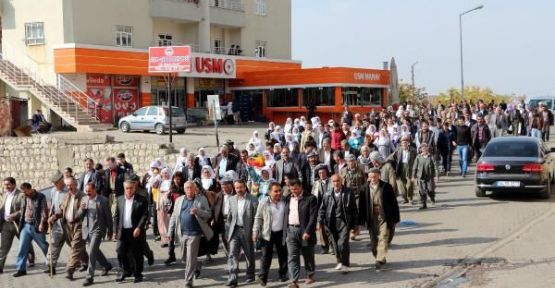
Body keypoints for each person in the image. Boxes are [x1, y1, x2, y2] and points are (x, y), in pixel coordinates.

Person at [167, 181, 213, 288]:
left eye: (191, 188)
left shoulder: (201, 199)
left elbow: (208, 214)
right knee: (184, 257)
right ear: (184, 189)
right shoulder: (179, 200)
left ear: (195, 189)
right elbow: (174, 216)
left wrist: (198, 211)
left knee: (190, 258)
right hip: (182, 233)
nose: (189, 190)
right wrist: (170, 231)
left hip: (195, 233)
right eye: (187, 188)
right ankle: (197, 265)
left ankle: (188, 280)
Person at [358, 168, 400, 271]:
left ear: (379, 176)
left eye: (375, 176)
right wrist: (360, 221)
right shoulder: (364, 189)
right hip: (371, 218)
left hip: (384, 217)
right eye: (371, 177)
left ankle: (379, 259)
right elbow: (362, 206)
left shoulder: (386, 187)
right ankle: (379, 256)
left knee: (384, 236)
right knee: (373, 243)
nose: (373, 179)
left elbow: (394, 203)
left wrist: (396, 217)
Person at [317, 174, 358, 273]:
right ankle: (340, 261)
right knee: (335, 245)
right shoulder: (327, 194)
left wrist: (355, 225)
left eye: (338, 181)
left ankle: (345, 265)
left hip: (344, 222)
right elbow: (322, 209)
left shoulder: (348, 193)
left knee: (343, 243)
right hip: (331, 222)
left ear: (341, 181)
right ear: (331, 183)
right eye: (334, 181)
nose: (336, 183)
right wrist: (319, 222)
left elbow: (354, 210)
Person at [252, 182, 288, 286]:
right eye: (275, 191)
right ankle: (263, 277)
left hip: (281, 233)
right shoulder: (263, 202)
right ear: (269, 192)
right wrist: (255, 232)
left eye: (279, 190)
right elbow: (258, 217)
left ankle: (282, 274)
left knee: (283, 255)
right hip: (267, 233)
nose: (278, 193)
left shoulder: (285, 201)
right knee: (266, 256)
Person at [78, 182, 114, 286]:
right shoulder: (84, 200)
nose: (87, 193)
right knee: (95, 251)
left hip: (98, 230)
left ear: (94, 190)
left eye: (89, 191)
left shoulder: (103, 200)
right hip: (87, 230)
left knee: (91, 251)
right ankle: (107, 265)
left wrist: (110, 231)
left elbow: (108, 217)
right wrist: (82, 209)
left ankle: (89, 277)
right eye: (86, 191)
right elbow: (79, 216)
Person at [114, 180, 149, 283]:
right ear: (124, 189)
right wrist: (115, 230)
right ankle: (126, 270)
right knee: (120, 251)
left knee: (136, 254)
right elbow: (116, 216)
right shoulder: (119, 199)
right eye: (127, 188)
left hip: (135, 231)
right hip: (123, 231)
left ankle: (138, 274)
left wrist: (139, 227)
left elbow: (145, 215)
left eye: (131, 188)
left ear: (135, 188)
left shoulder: (141, 200)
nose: (129, 190)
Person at [284, 179, 317, 288]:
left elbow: (313, 217)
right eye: (292, 189)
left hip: (305, 231)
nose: (294, 191)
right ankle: (294, 281)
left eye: (296, 189)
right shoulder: (288, 198)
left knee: (308, 255)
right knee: (292, 256)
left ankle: (310, 274)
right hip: (291, 230)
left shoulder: (310, 198)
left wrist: (308, 231)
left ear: (301, 186)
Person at [54, 177, 89, 280]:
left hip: (80, 225)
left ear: (76, 184)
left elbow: (84, 212)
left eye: (71, 185)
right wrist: (54, 216)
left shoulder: (83, 196)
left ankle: (70, 270)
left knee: (75, 247)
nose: (69, 187)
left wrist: (82, 209)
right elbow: (61, 210)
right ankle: (87, 262)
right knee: (77, 247)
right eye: (67, 185)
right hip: (68, 226)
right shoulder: (66, 196)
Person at [226, 180, 259, 287]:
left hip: (247, 231)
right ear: (234, 188)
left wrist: (255, 232)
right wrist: (228, 232)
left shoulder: (253, 199)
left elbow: (257, 218)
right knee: (232, 254)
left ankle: (250, 275)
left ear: (245, 187)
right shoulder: (231, 199)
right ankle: (232, 278)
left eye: (241, 187)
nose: (239, 190)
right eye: (237, 188)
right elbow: (229, 217)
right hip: (235, 230)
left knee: (249, 255)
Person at [13, 182, 49, 277]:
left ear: (30, 189)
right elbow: (22, 210)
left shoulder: (40, 196)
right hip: (25, 226)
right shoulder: (24, 197)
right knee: (22, 248)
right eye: (23, 192)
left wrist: (42, 223)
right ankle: (21, 269)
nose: (24, 194)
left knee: (44, 246)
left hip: (36, 226)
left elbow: (44, 211)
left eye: (25, 192)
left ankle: (51, 265)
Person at [0, 177, 35, 274]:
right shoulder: (5, 195)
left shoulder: (21, 195)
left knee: (25, 243)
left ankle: (31, 258)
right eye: (5, 184)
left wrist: (14, 215)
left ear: (14, 184)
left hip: (18, 224)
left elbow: (24, 209)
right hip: (6, 224)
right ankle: (0, 267)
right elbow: (3, 208)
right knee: (3, 247)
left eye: (8, 184)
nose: (6, 187)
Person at [44, 171, 67, 275]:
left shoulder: (68, 191)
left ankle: (85, 262)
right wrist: (51, 215)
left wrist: (56, 215)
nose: (54, 185)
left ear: (61, 182)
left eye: (56, 183)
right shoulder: (53, 191)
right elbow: (53, 205)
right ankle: (51, 266)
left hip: (68, 223)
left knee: (75, 246)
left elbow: (65, 208)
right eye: (54, 184)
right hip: (57, 223)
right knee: (53, 244)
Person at [339, 154, 366, 241]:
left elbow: (365, 182)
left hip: (357, 195)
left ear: (355, 161)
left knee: (356, 212)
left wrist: (362, 188)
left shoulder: (360, 170)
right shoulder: (343, 171)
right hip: (347, 195)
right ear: (347, 162)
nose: (351, 163)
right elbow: (340, 182)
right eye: (349, 161)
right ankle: (353, 229)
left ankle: (354, 231)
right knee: (348, 212)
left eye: (352, 161)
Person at [388, 137, 417, 204]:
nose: (404, 144)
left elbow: (417, 159)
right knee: (401, 185)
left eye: (406, 142)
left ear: (408, 143)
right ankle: (405, 198)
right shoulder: (398, 150)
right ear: (401, 143)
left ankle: (410, 198)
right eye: (403, 142)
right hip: (401, 167)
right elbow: (391, 157)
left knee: (410, 184)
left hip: (410, 168)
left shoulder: (413, 150)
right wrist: (384, 162)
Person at [311, 164, 332, 254]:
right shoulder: (316, 183)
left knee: (331, 227)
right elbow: (313, 196)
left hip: (331, 207)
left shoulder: (332, 181)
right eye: (320, 173)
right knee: (321, 228)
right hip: (320, 208)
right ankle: (324, 247)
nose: (322, 174)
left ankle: (332, 246)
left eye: (323, 172)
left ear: (326, 172)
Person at [412, 143, 439, 210]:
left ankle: (432, 198)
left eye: (425, 147)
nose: (424, 149)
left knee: (430, 190)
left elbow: (436, 167)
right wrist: (413, 176)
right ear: (421, 149)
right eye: (422, 148)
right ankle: (424, 204)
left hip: (429, 177)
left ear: (427, 148)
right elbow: (414, 167)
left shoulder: (431, 157)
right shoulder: (418, 157)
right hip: (420, 177)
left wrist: (436, 176)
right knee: (422, 191)